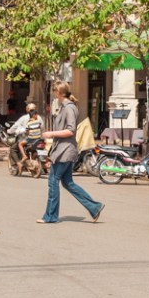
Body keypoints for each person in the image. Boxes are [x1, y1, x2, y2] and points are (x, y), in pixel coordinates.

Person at [37, 82, 104, 224]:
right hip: (64, 149)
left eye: (55, 91)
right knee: (68, 183)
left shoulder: (69, 108)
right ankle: (94, 207)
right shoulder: (65, 107)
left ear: (59, 93)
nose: (54, 94)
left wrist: (51, 133)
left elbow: (70, 130)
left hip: (64, 151)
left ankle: (50, 216)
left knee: (53, 181)